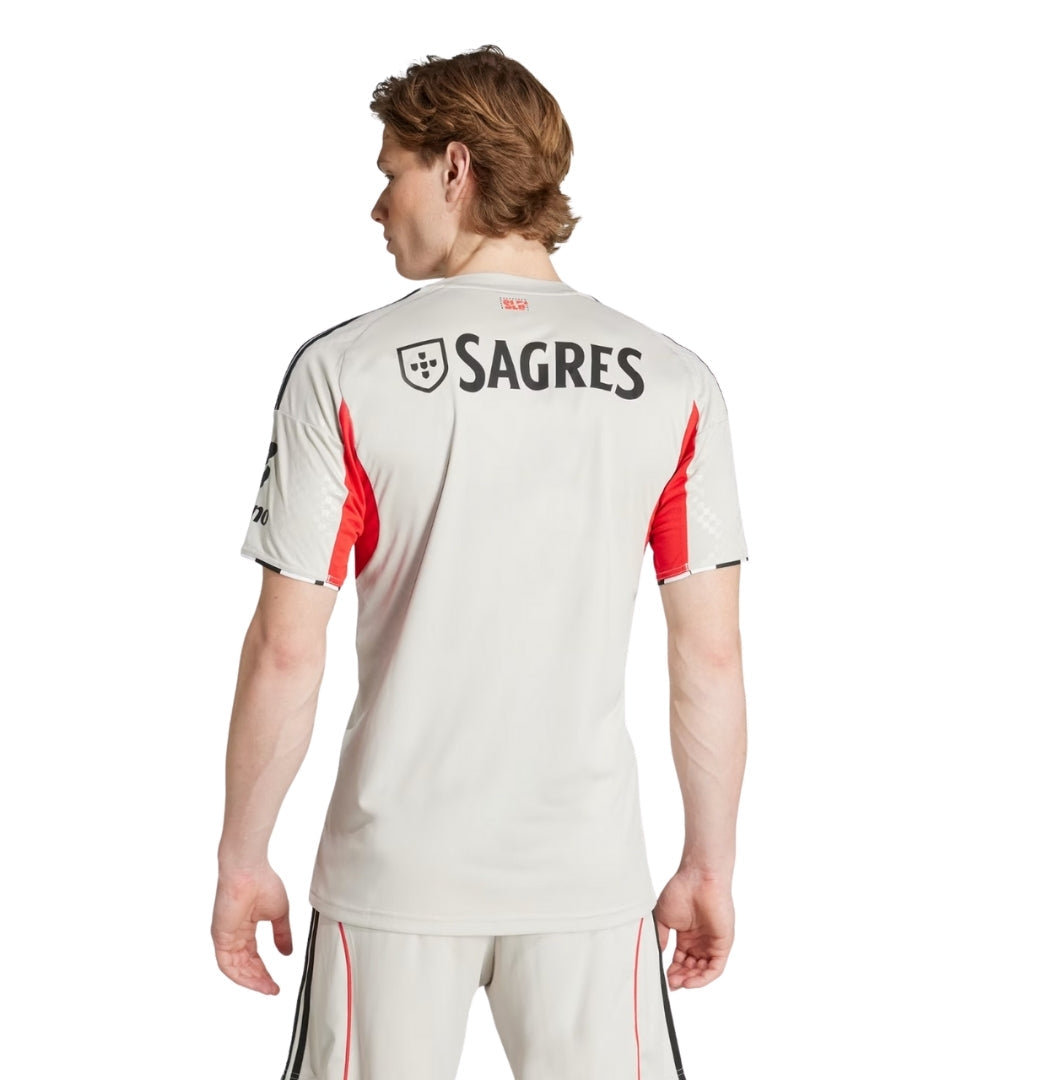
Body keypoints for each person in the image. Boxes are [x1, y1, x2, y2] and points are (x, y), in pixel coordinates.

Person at [212, 43, 749, 1080]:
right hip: (585, 876)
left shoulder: (344, 372)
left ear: (454, 167)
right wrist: (708, 864)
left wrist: (243, 858)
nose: (377, 206)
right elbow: (711, 656)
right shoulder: (676, 383)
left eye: (391, 173)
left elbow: (286, 649)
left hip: (394, 875)